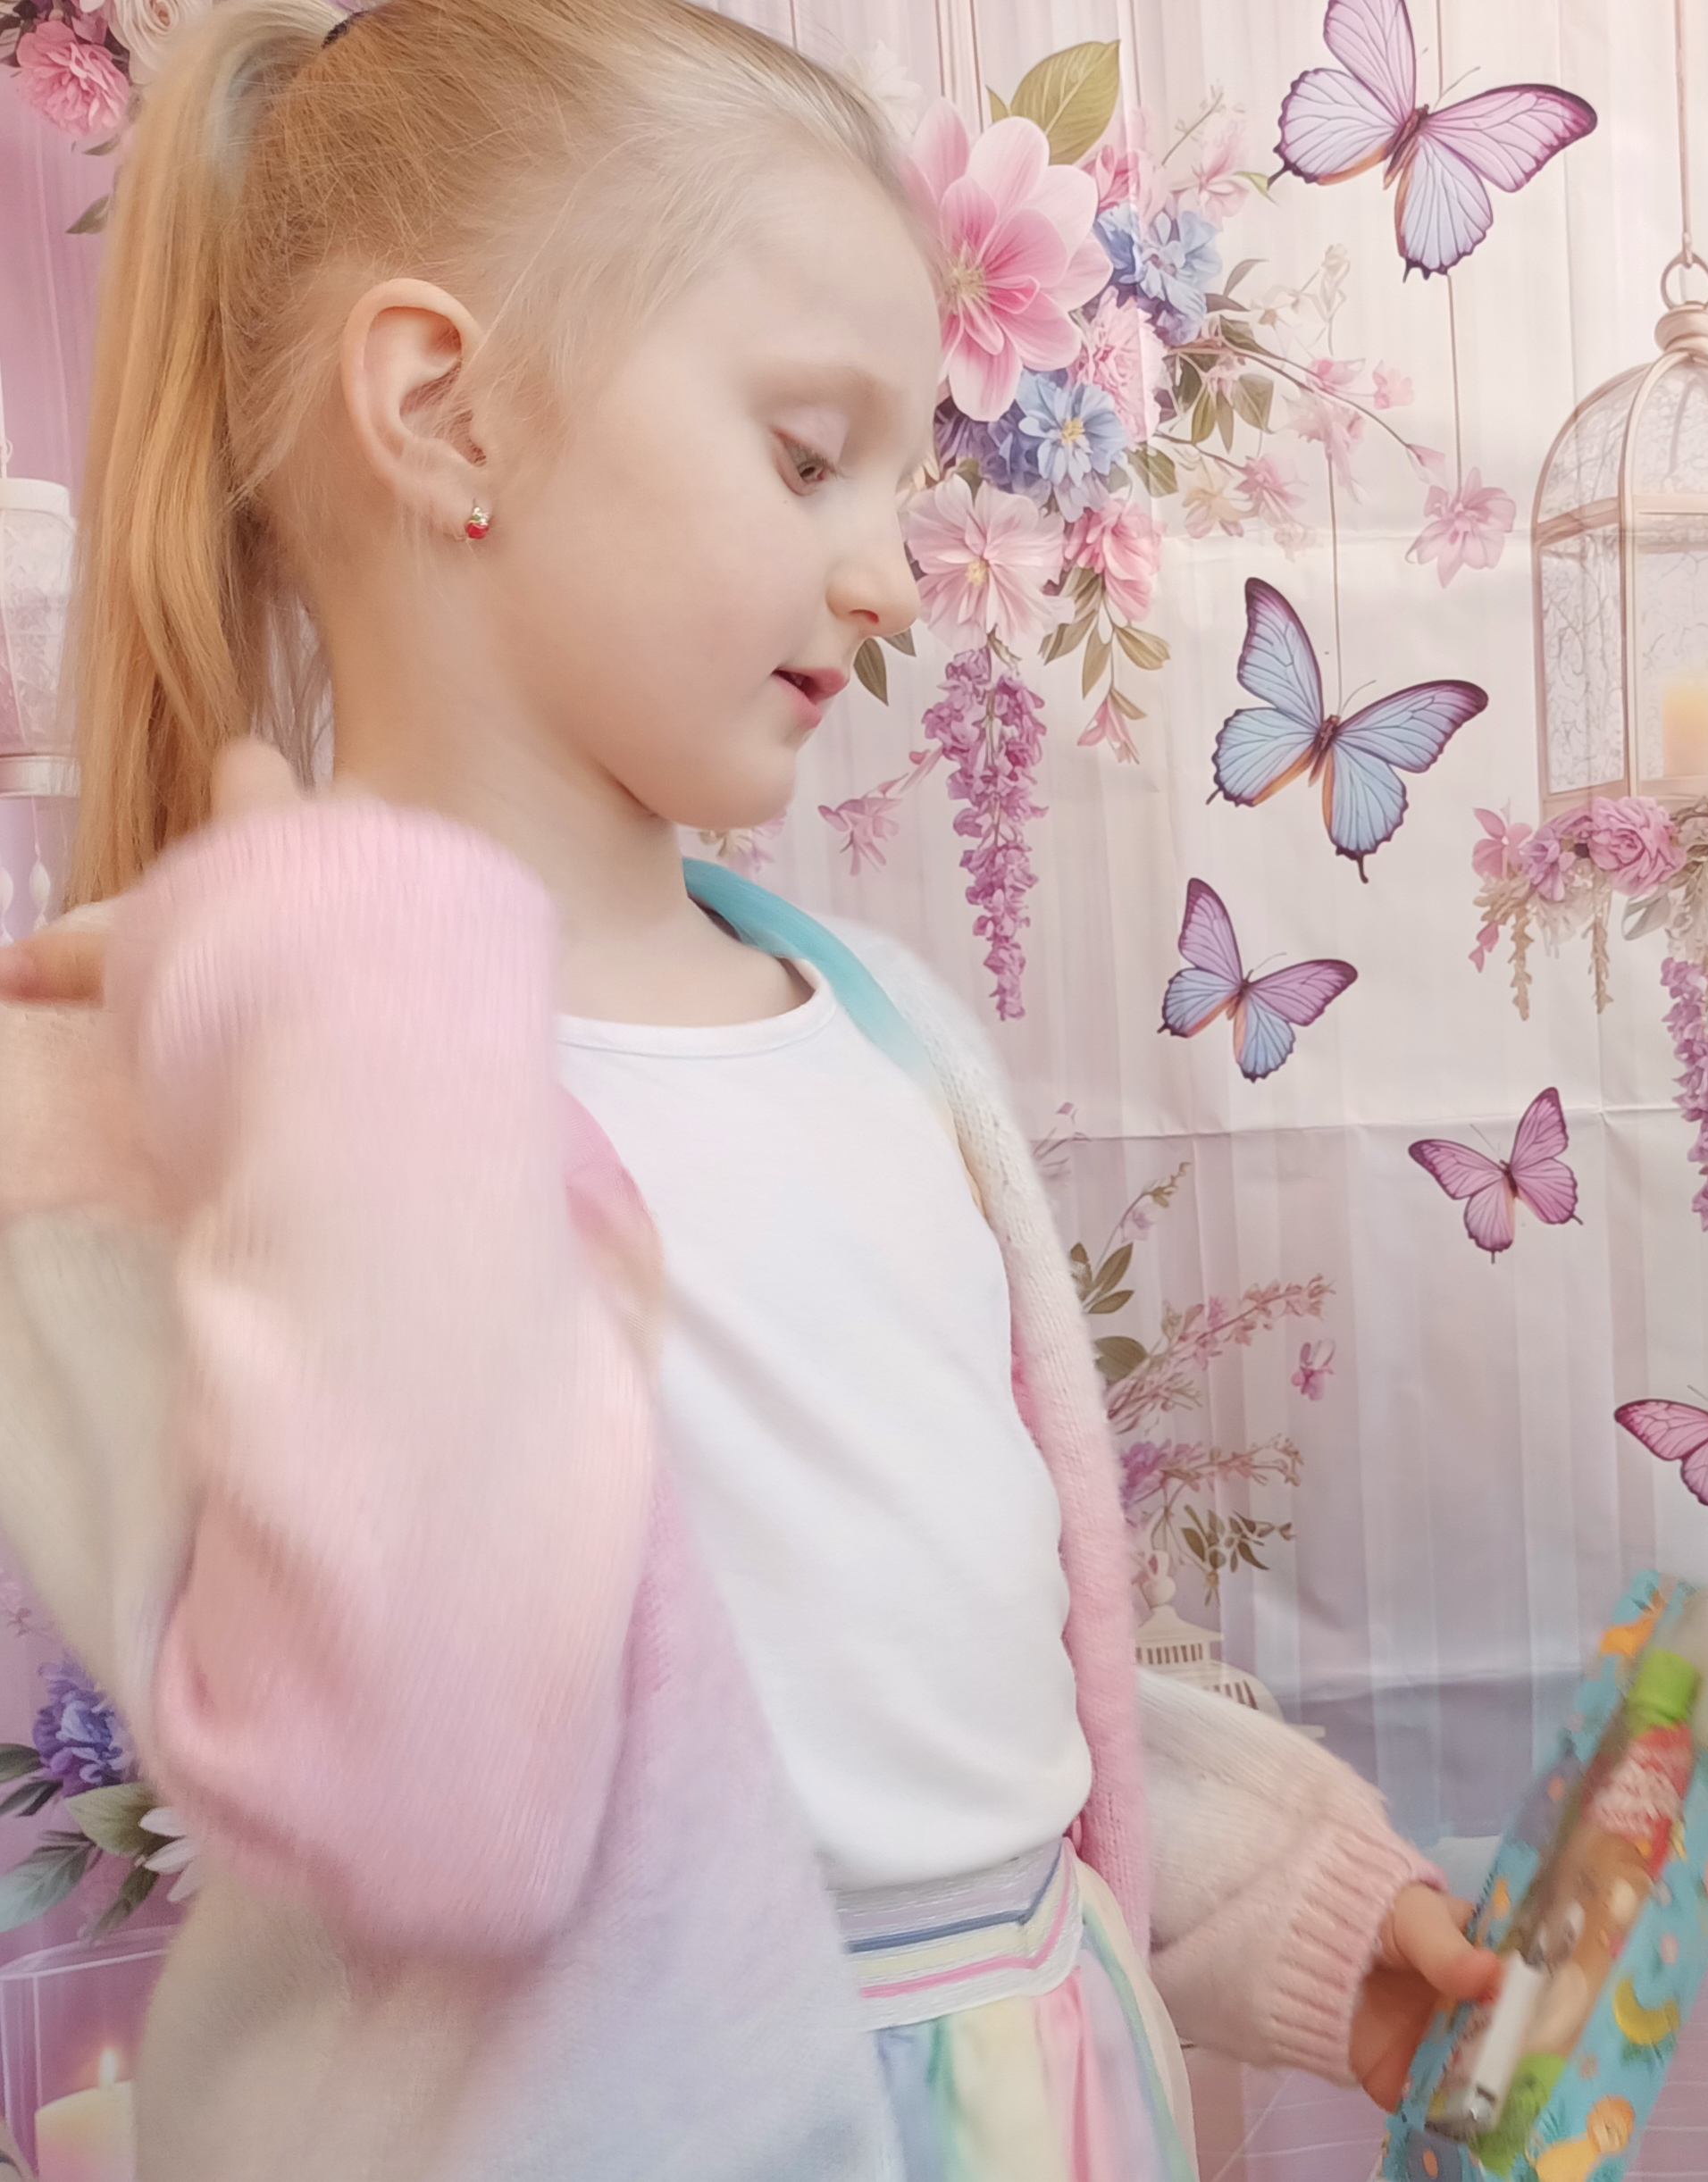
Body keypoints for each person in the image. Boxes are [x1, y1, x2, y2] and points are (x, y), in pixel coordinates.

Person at [0, 3, 1492, 2178]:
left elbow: (906, 1687)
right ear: (443, 410)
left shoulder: (877, 1029)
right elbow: (428, 1790)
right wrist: (370, 1035)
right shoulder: (160, 1096)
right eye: (808, 457)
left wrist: (1280, 1898)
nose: (888, 576)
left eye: (898, 484)